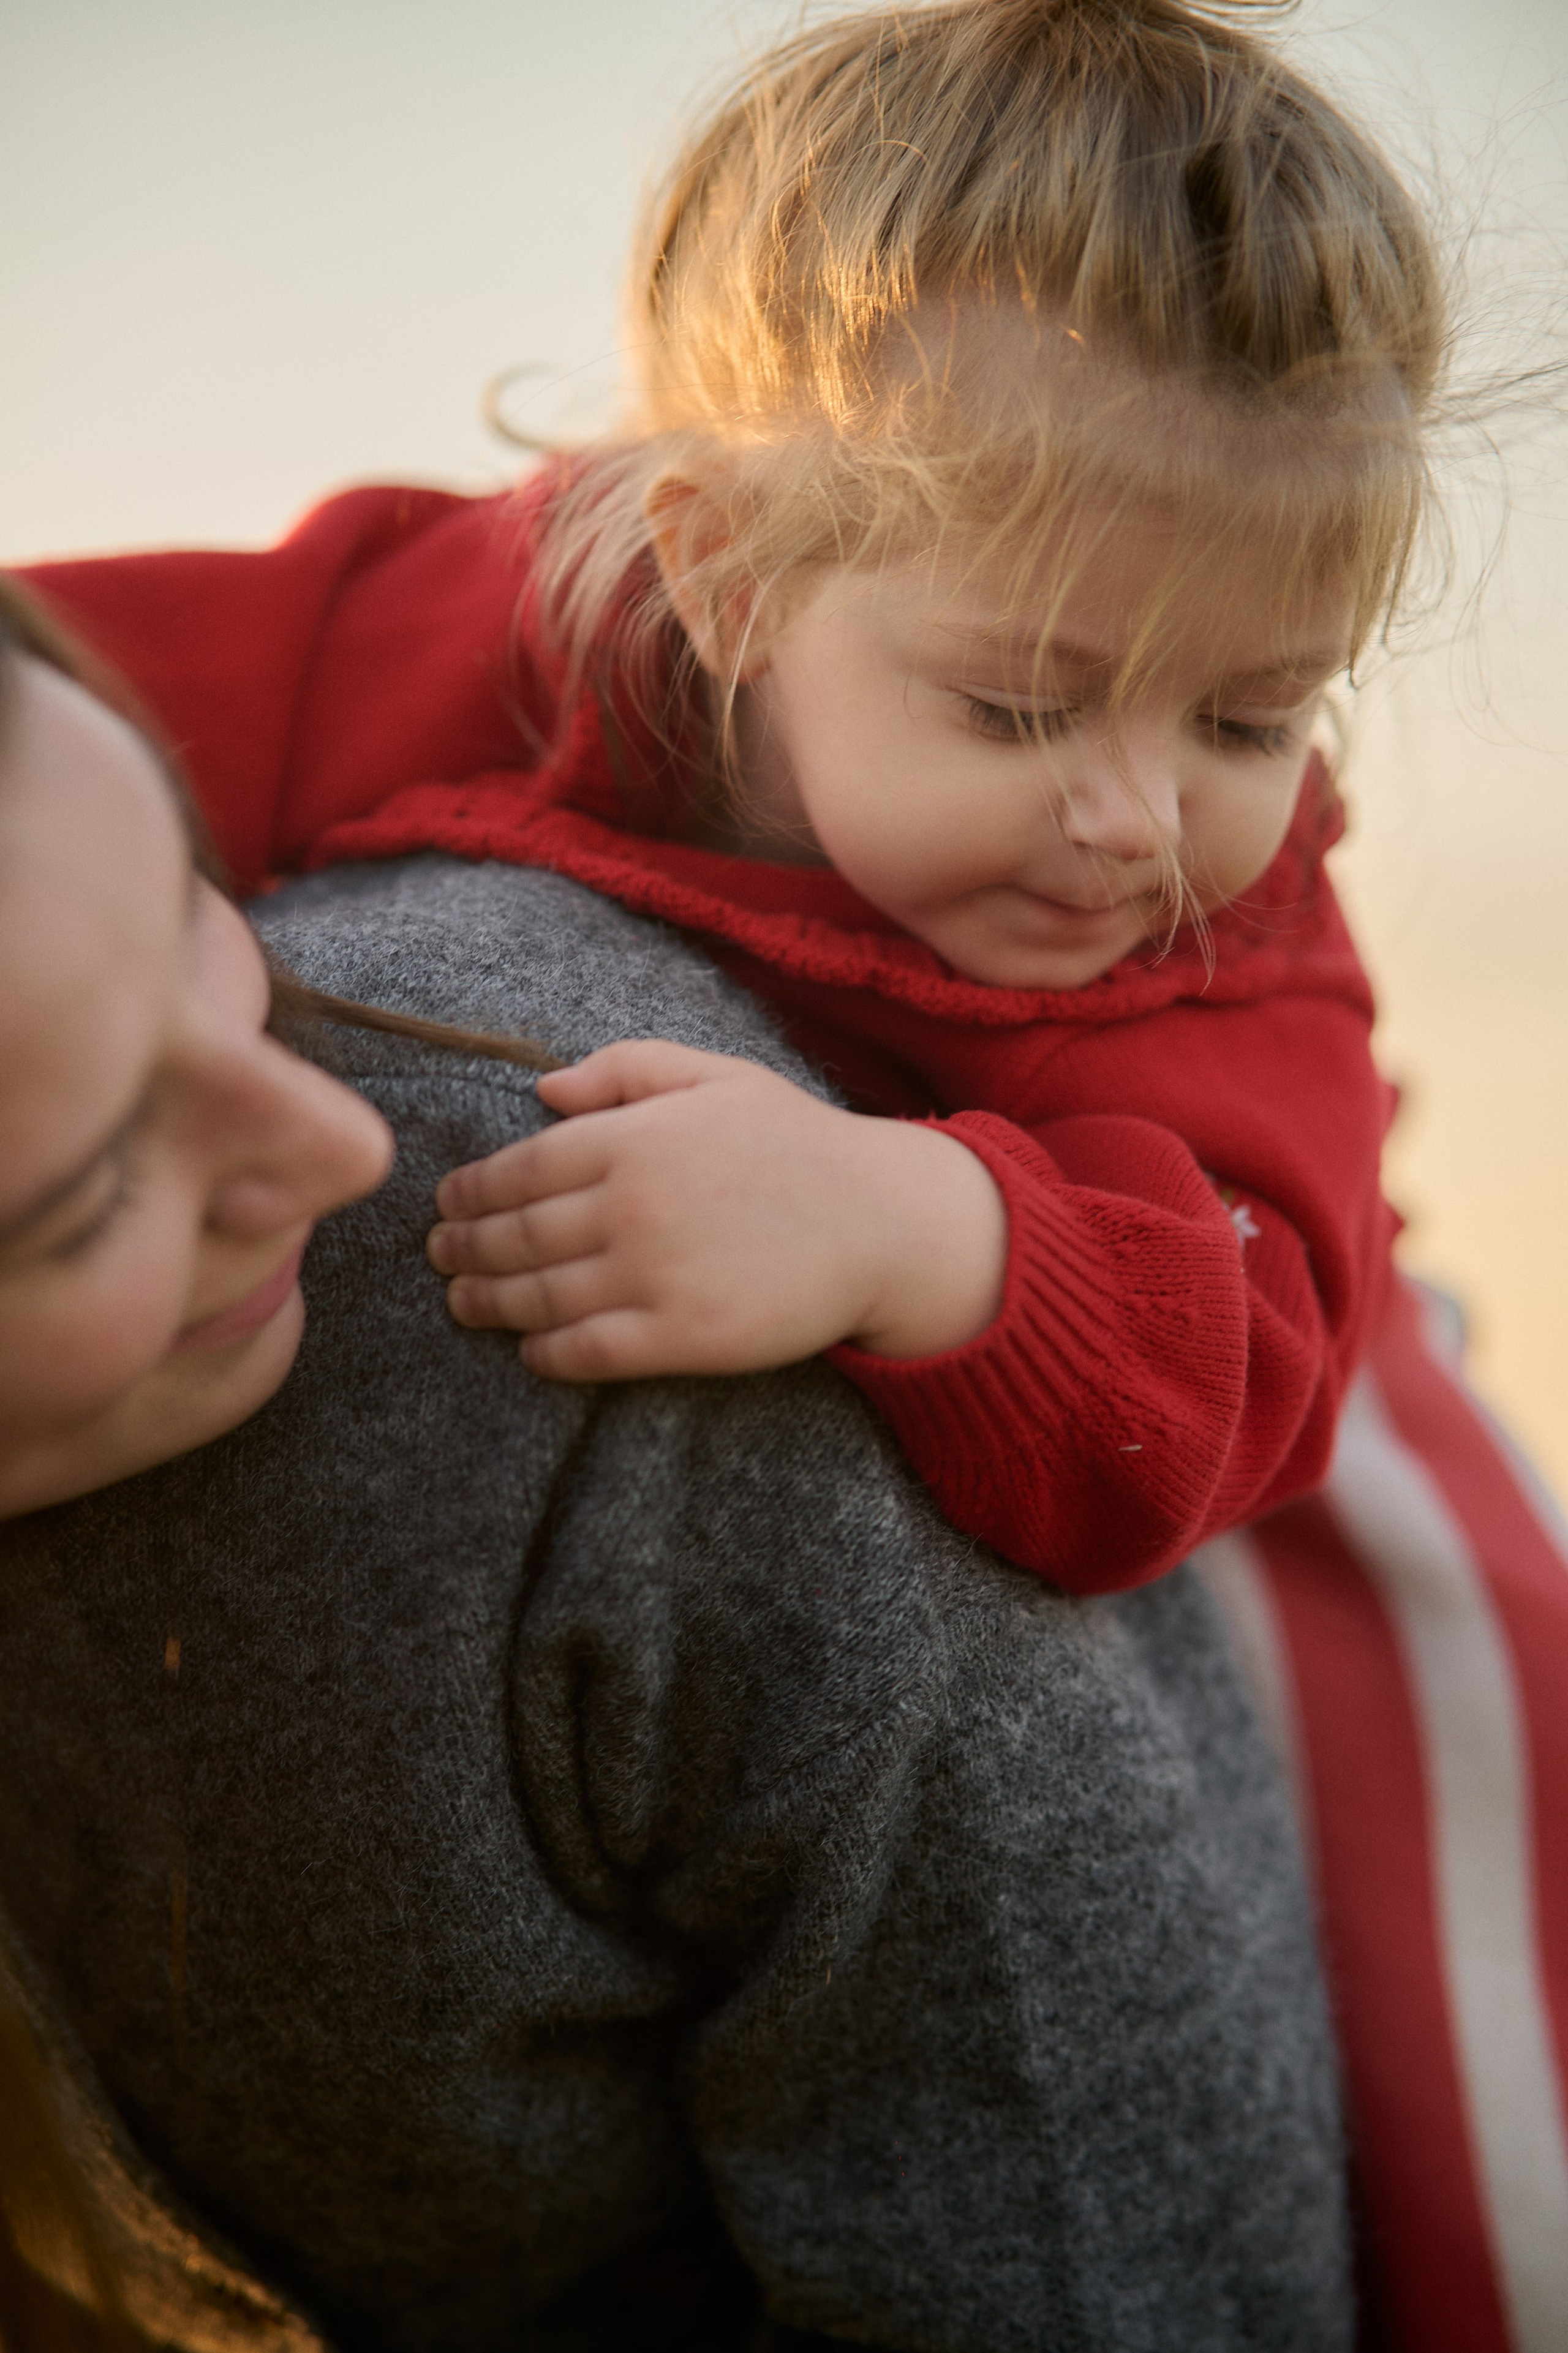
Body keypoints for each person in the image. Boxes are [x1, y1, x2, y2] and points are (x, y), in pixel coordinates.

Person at [16, 3, 1567, 2342]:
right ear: (730, 576)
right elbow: (74, 706)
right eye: (1020, 705)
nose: (1139, 819)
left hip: (1257, 1373)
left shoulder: (1228, 957)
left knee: (1478, 2013)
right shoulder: (470, 628)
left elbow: (1246, 1356)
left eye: (1254, 715)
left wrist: (914, 1229)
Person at [0, 583, 1354, 2347]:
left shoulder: (561, 1265)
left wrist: (951, 1242)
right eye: (93, 1189)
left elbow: (1110, 2250)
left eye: (193, 905)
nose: (331, 1137)